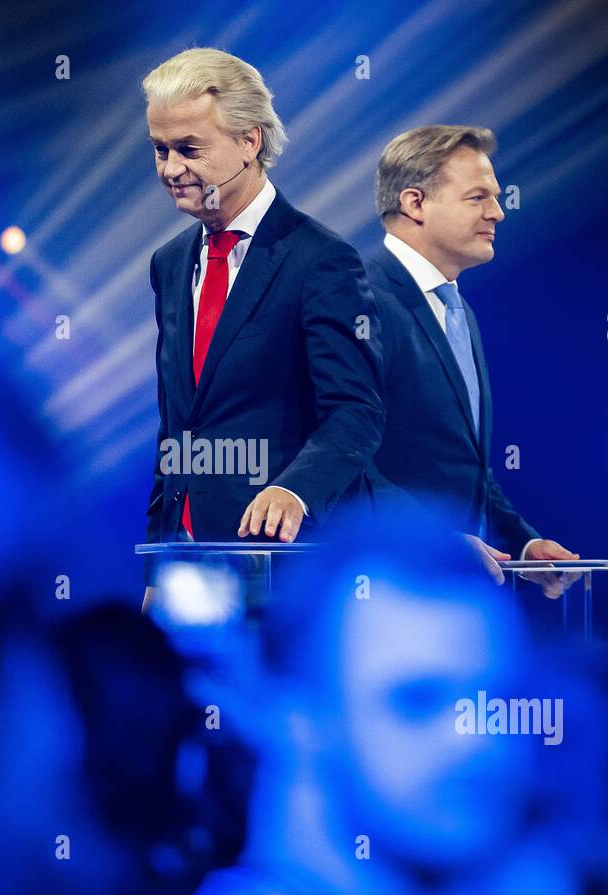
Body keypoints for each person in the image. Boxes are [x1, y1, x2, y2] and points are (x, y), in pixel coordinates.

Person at [142, 48, 384, 552]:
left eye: (189, 148)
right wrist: (161, 558)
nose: (170, 168)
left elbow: (355, 410)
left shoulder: (321, 260)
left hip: (286, 556)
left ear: (250, 141)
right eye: (161, 149)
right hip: (190, 559)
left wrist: (295, 490)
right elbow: (178, 426)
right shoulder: (169, 263)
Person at [365, 125, 578, 595]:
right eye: (478, 197)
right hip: (382, 588)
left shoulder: (457, 310)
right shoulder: (358, 300)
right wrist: (436, 540)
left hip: (454, 593)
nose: (498, 213)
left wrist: (523, 544)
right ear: (414, 203)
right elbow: (340, 462)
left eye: (496, 197)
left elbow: (465, 466)